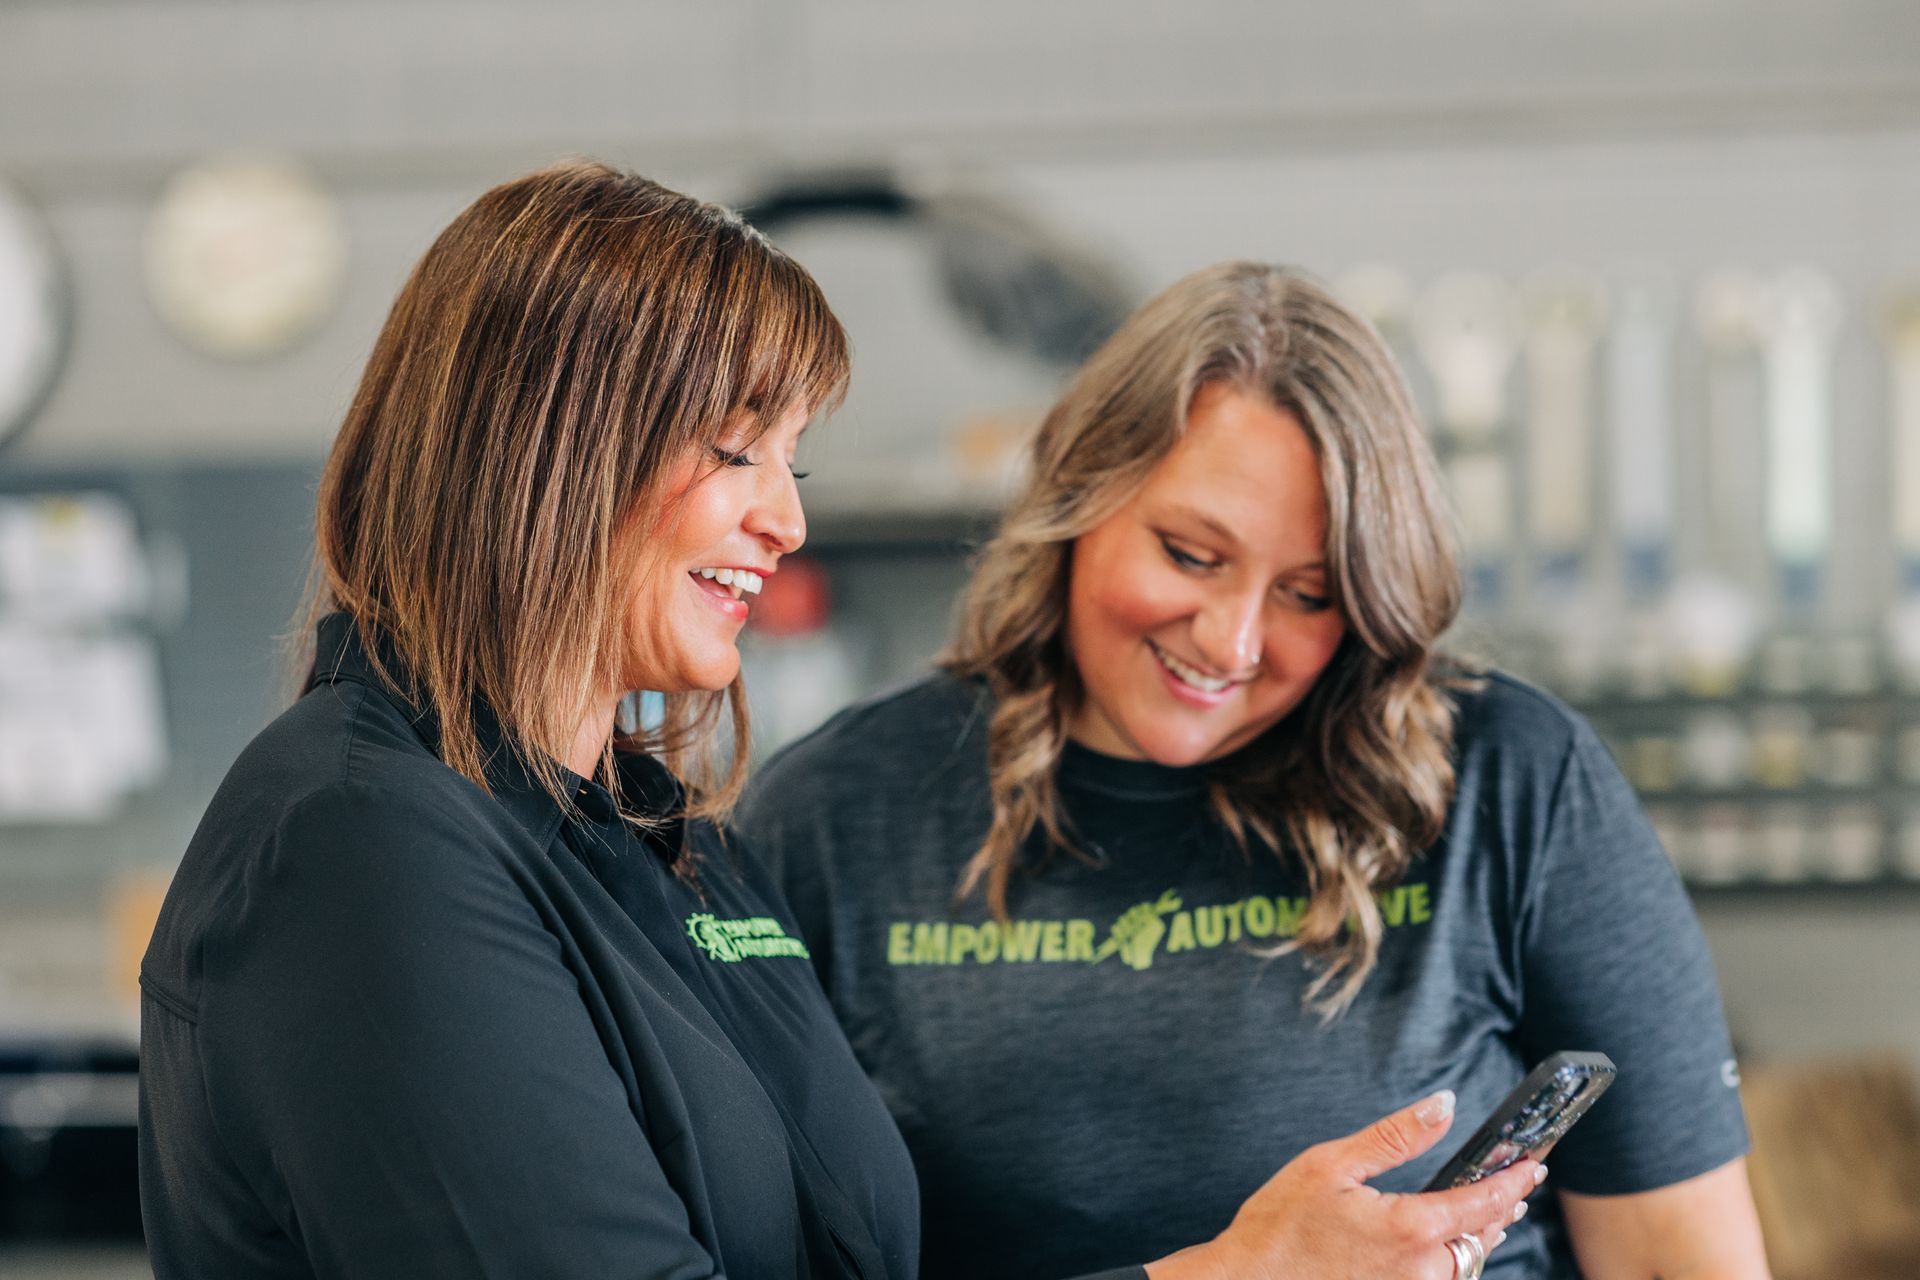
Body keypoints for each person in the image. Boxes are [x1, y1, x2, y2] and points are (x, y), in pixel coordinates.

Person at [137, 169, 1538, 1279]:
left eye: (790, 460)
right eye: (735, 448)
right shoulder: (364, 843)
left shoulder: (651, 836)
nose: (785, 518)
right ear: (550, 446)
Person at [739, 263, 1773, 1279]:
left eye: (1310, 592)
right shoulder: (836, 818)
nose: (1233, 642)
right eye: (1190, 554)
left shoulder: (1511, 785)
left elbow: (1679, 1259)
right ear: (1076, 494)